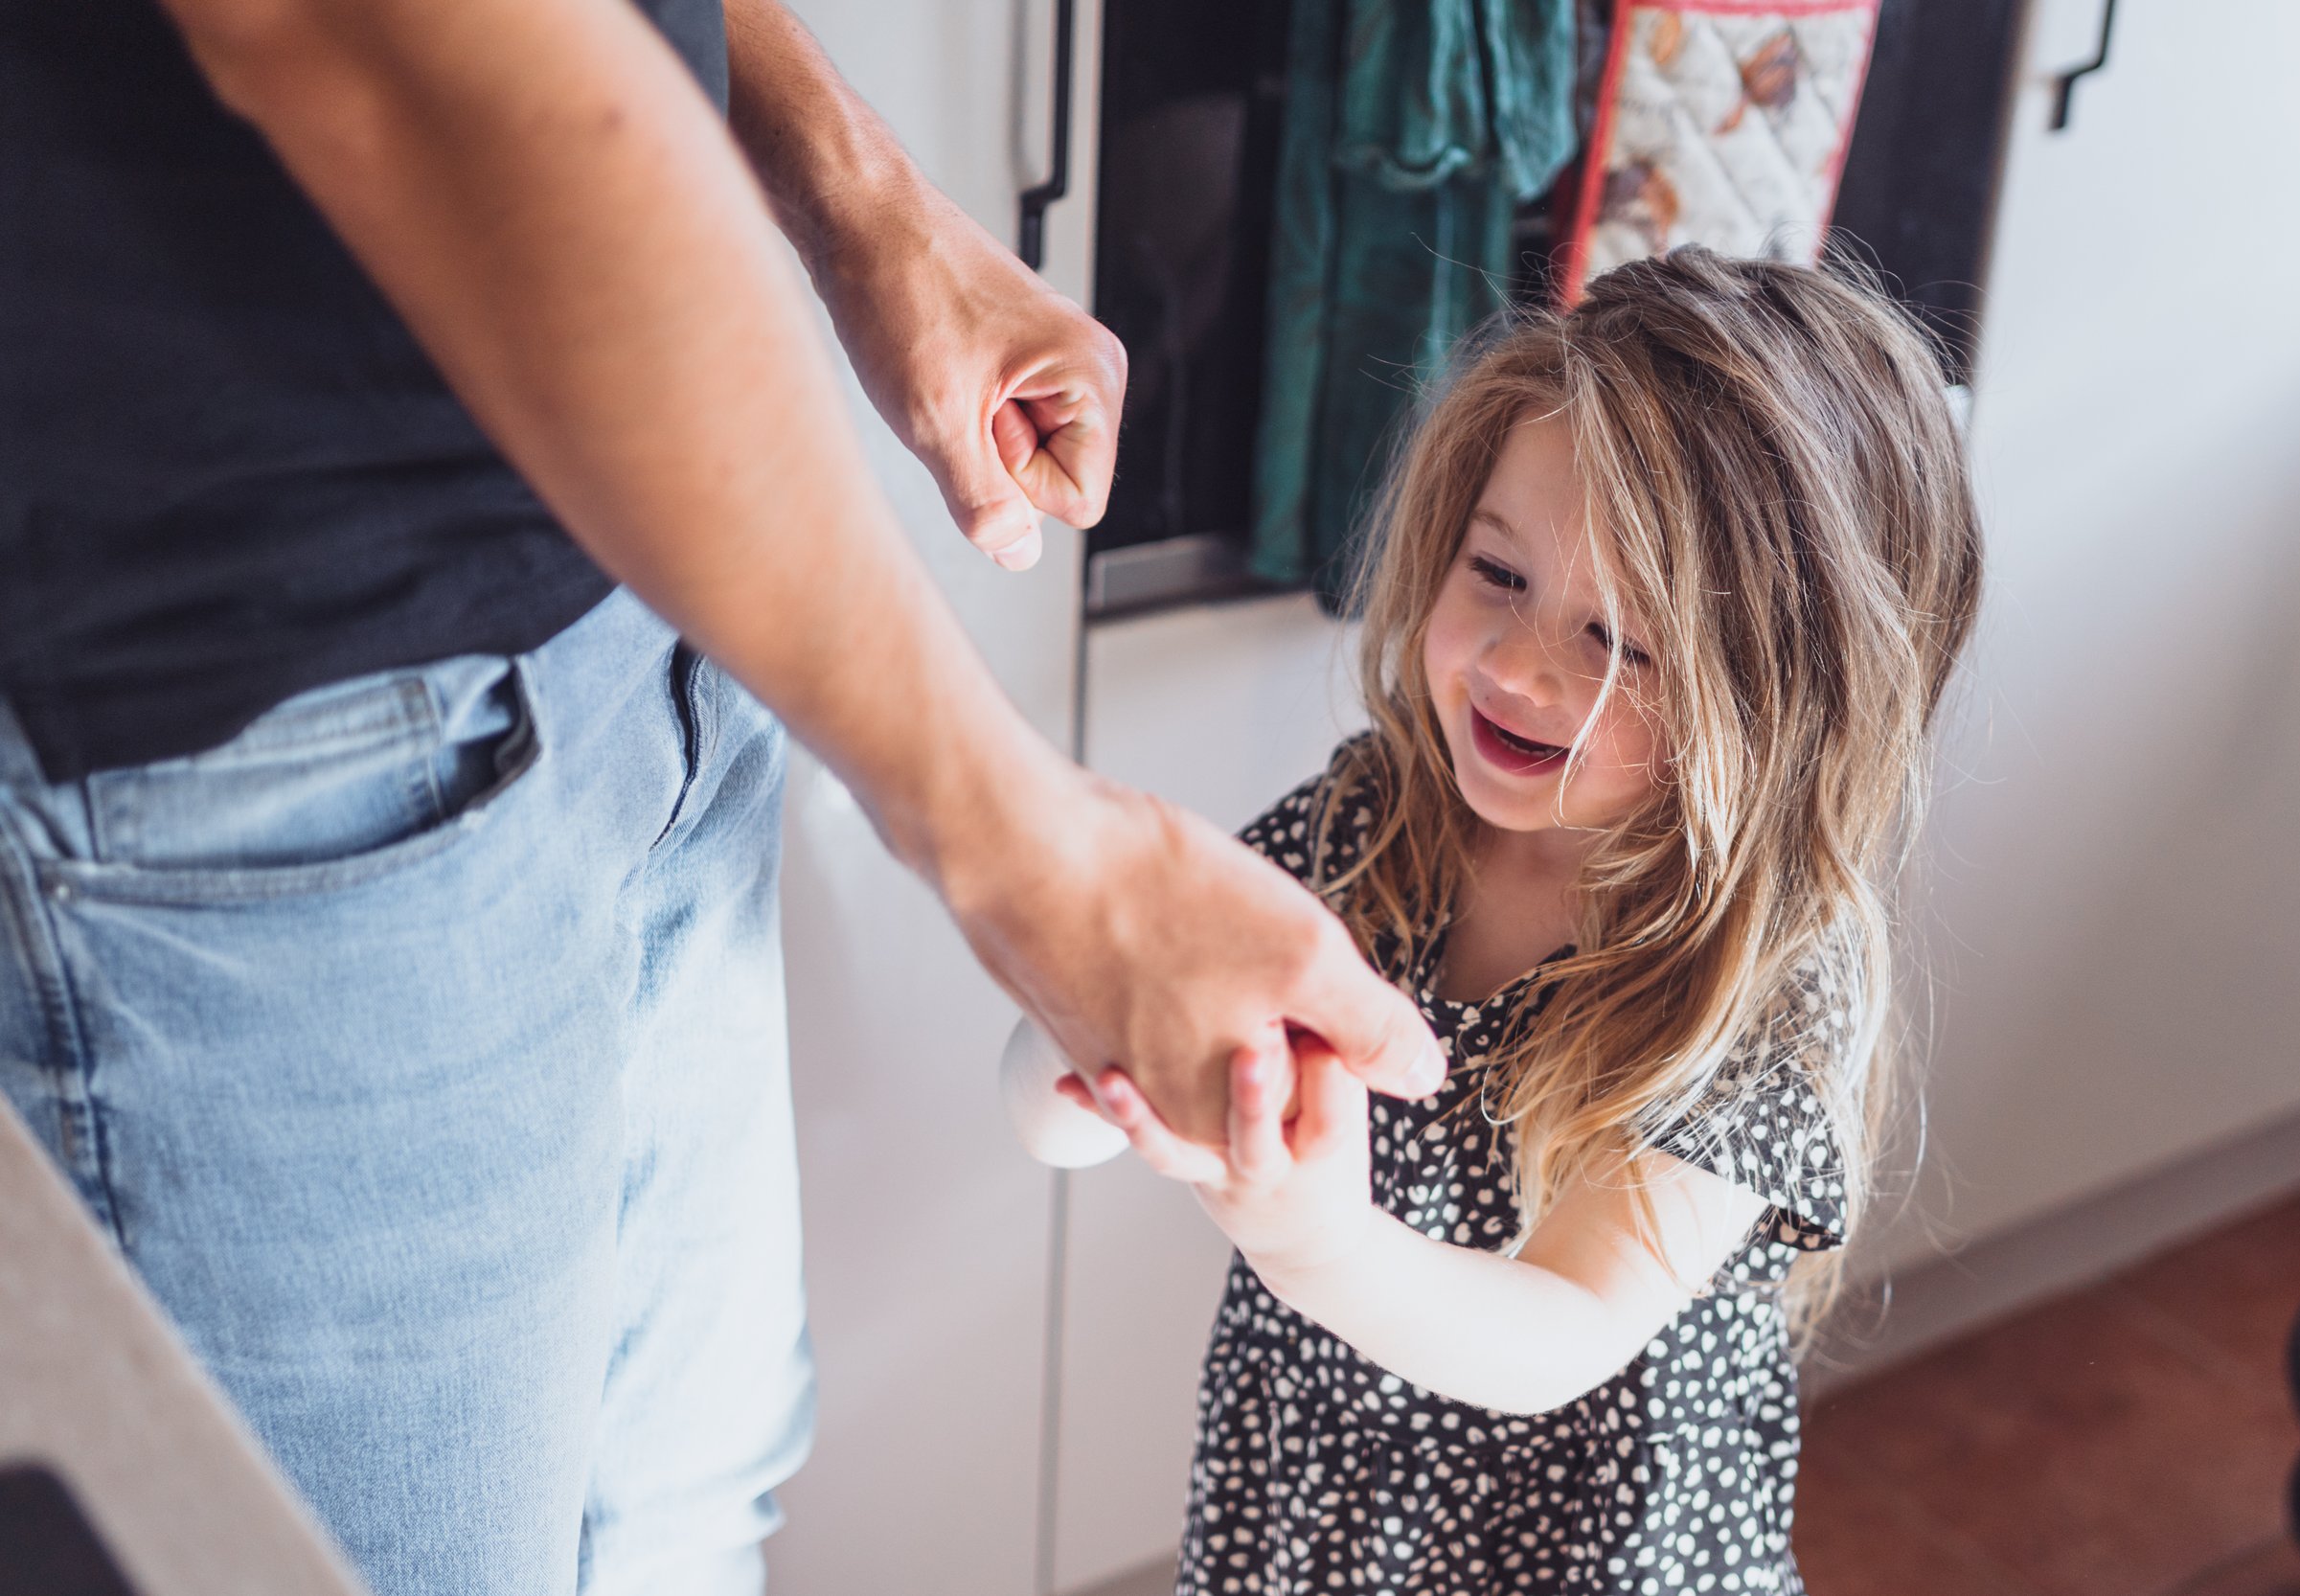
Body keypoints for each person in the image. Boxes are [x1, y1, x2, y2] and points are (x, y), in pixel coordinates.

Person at [0, 1, 1444, 1593]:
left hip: (640, 592)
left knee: (687, 1507)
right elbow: (373, 39)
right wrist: (1045, 863)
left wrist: (864, 201)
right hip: (278, 718)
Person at [1031, 249, 1986, 1594]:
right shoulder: (1378, 819)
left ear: (1784, 705)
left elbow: (1564, 1325)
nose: (1520, 667)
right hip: (1323, 1512)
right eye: (1498, 571)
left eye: (1625, 644)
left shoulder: (1760, 975)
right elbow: (1092, 1053)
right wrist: (1088, 1025)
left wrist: (1319, 1241)